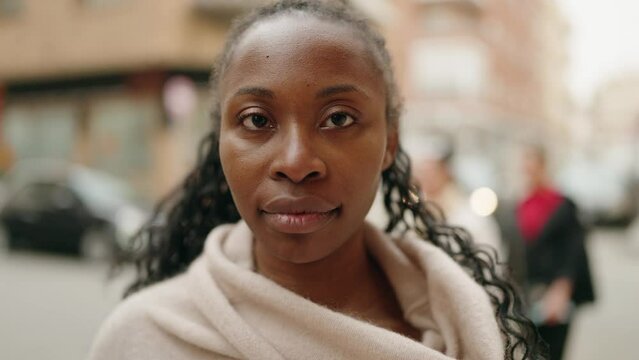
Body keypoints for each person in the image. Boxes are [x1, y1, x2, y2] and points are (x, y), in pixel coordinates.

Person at [89, 1, 542, 359]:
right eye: (256, 120)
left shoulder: (468, 324)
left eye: (338, 118)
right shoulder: (143, 339)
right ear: (221, 144)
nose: (296, 161)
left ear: (390, 142)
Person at [516, 145, 595, 360]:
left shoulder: (561, 205)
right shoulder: (522, 204)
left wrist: (561, 290)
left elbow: (573, 252)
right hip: (529, 292)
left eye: (532, 165)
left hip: (556, 294)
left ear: (543, 166)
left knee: (552, 352)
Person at [412, 139, 505, 262]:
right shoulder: (416, 214)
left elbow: (490, 260)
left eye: (430, 170)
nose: (425, 177)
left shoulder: (470, 216)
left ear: (445, 171)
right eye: (421, 171)